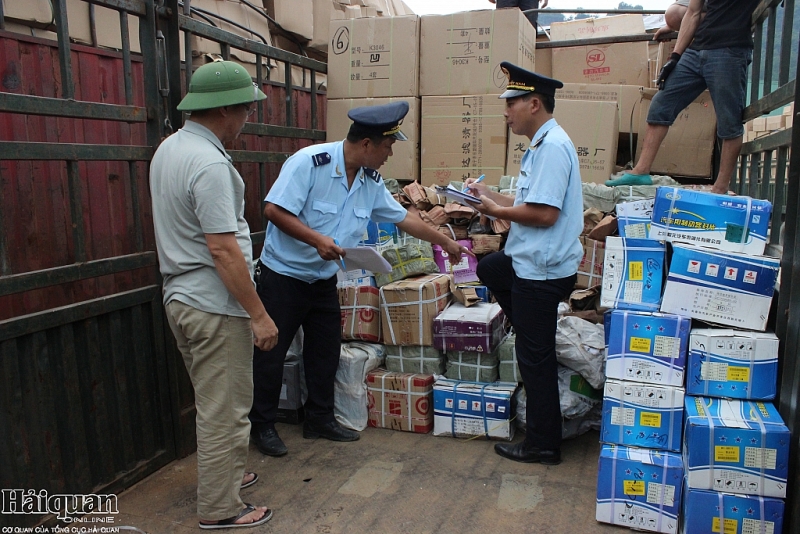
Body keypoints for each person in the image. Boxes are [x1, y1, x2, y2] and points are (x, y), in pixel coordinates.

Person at [250, 101, 473, 457]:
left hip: (323, 280)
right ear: (367, 144)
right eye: (388, 146)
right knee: (271, 355)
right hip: (284, 277)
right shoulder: (310, 163)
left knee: (324, 351)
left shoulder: (370, 181)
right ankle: (262, 426)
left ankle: (319, 419)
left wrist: (445, 240)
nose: (390, 153)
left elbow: (403, 218)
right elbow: (273, 210)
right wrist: (316, 239)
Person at [150, 60, 278, 530]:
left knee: (214, 402)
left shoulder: (170, 149)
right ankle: (221, 508)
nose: (246, 120)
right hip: (214, 305)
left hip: (181, 298)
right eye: (245, 110)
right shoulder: (209, 164)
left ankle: (225, 475)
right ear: (225, 110)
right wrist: (259, 315)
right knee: (226, 412)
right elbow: (224, 250)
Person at [465, 62, 583, 465]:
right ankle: (532, 326)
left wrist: (495, 208)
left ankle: (542, 443)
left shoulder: (551, 147)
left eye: (512, 103)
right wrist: (489, 194)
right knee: (491, 268)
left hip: (543, 269)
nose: (506, 111)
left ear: (534, 103)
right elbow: (529, 202)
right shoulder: (541, 144)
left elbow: (545, 214)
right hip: (531, 262)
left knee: (535, 358)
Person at [607, 0, 760, 194]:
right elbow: (693, 12)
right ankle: (641, 170)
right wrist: (675, 57)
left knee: (729, 122)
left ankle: (720, 186)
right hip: (696, 50)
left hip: (729, 51)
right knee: (660, 104)